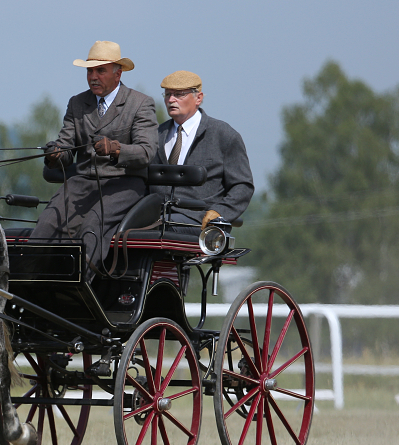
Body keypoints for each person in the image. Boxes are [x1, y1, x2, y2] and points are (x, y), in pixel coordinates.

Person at [31, 41, 158, 276]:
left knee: (92, 225)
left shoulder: (140, 103)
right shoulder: (77, 103)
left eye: (101, 70)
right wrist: (55, 154)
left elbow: (147, 151)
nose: (93, 77)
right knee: (47, 222)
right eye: (90, 71)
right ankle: (30, 286)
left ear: (118, 73)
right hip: (83, 183)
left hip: (124, 183)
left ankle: (78, 286)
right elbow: (66, 148)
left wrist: (116, 149)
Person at [151, 70, 254, 234]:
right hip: (156, 217)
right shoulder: (156, 135)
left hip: (198, 220)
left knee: (162, 228)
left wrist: (220, 212)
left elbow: (242, 186)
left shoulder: (223, 135)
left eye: (179, 94)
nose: (171, 100)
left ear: (198, 98)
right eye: (167, 94)